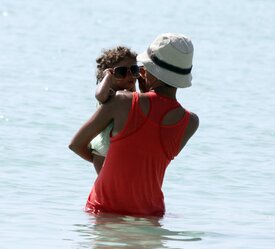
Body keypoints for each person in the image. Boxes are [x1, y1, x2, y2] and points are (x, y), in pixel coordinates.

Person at [69, 33, 199, 217]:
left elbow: (75, 144)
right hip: (150, 214)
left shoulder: (123, 102)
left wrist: (110, 165)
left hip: (104, 209)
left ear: (150, 70)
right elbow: (146, 155)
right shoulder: (190, 122)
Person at [90, 46, 141, 174]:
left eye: (134, 70)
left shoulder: (130, 93)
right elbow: (99, 95)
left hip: (121, 150)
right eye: (121, 72)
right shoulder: (109, 93)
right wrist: (106, 76)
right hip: (102, 151)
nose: (129, 75)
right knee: (108, 186)